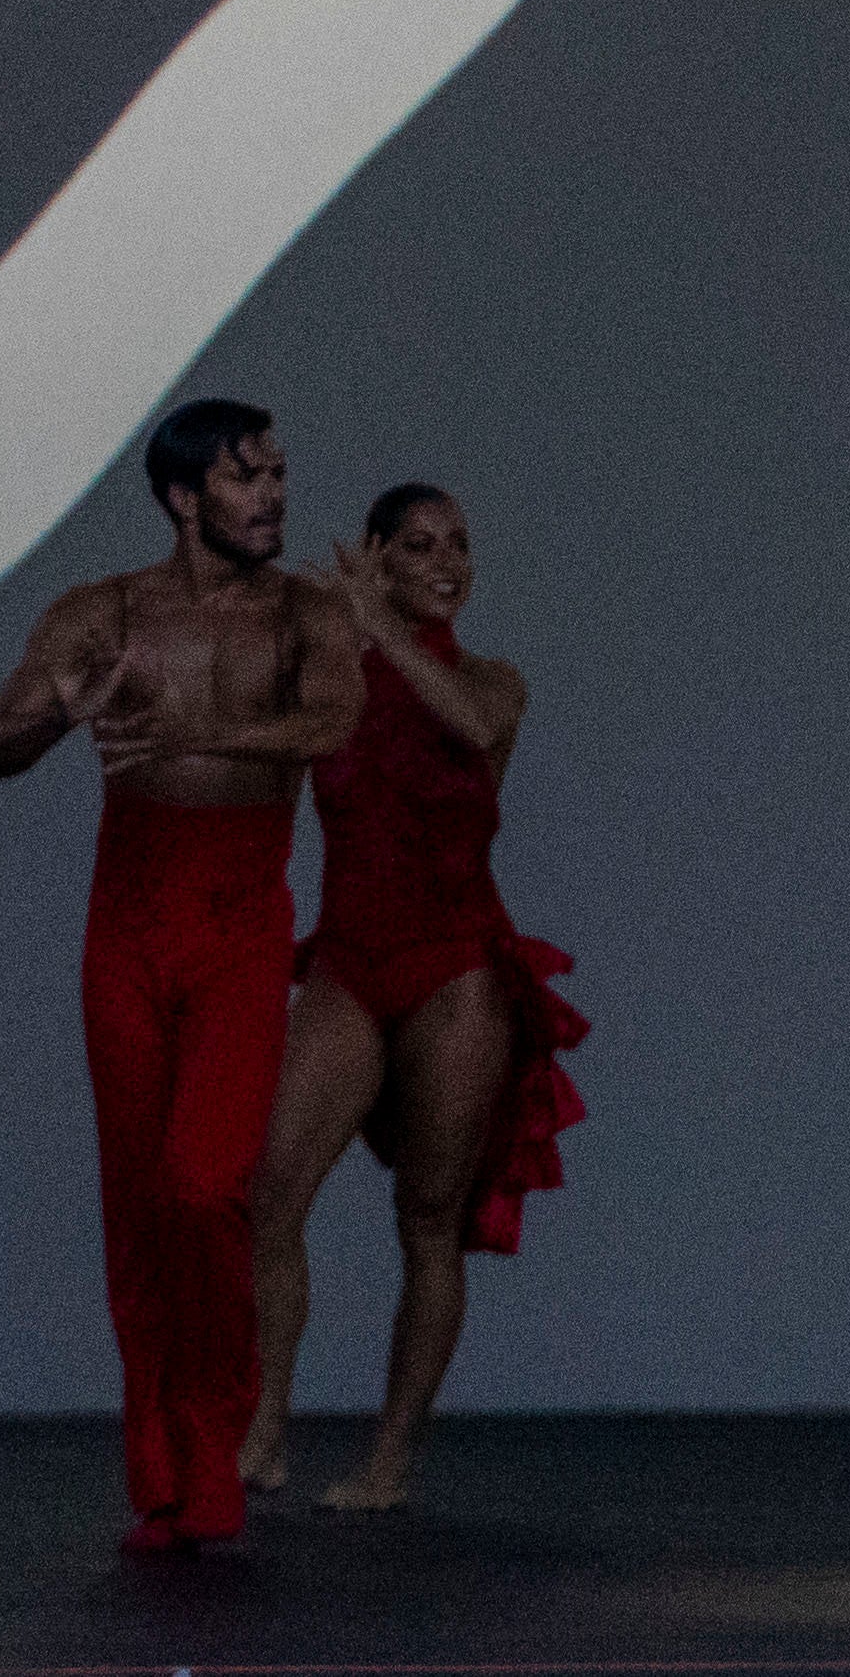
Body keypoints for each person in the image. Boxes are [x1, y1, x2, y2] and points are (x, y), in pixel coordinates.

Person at [0, 398, 364, 1554]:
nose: (274, 497)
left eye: (280, 474)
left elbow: (333, 725)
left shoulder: (309, 613)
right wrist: (58, 717)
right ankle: (162, 1473)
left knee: (206, 1187)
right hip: (129, 926)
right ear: (183, 498)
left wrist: (208, 739)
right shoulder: (104, 614)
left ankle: (217, 1441)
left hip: (240, 921)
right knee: (141, 1207)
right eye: (248, 479)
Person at [241, 482, 593, 1514]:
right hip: (353, 960)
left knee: (427, 1219)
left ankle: (390, 1458)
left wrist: (377, 629)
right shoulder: (332, 679)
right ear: (380, 556)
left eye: (462, 546)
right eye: (423, 546)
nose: (449, 562)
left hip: (456, 969)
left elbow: (471, 725)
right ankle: (264, 1428)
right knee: (269, 1192)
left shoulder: (492, 681)